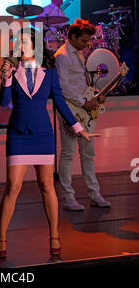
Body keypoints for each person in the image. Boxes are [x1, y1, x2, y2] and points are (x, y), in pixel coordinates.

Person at [0, 27, 99, 258]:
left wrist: (79, 128)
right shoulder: (13, 69)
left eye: (24, 43)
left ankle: (54, 235)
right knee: (13, 187)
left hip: (42, 134)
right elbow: (3, 102)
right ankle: (1, 238)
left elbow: (60, 102)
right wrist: (6, 77)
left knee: (47, 185)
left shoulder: (49, 71)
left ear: (36, 46)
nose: (19, 47)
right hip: (19, 134)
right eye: (18, 43)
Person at [54, 19, 111, 210]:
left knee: (88, 154)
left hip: (83, 107)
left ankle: (95, 194)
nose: (87, 44)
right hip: (70, 108)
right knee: (68, 153)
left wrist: (95, 95)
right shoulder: (62, 56)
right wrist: (83, 103)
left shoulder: (79, 53)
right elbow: (63, 87)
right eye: (83, 41)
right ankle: (68, 197)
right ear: (72, 37)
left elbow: (81, 81)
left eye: (88, 41)